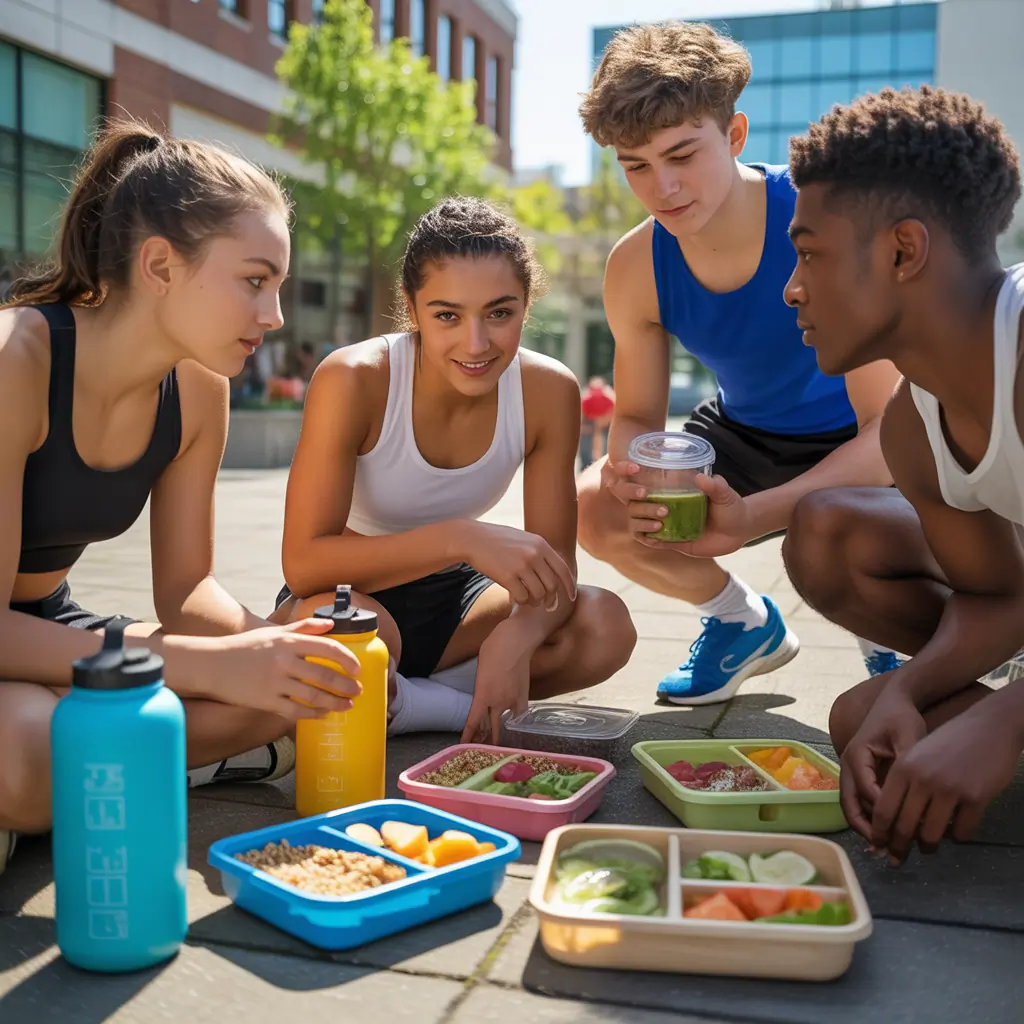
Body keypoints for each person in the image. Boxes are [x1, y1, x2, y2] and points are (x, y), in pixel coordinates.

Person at [0, 121, 364, 872]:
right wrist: (203, 667)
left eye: (279, 287)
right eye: (255, 281)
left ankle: (107, 765)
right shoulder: (17, 362)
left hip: (50, 629)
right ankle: (89, 770)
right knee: (30, 758)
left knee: (284, 696)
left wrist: (274, 647)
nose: (275, 318)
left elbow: (187, 589)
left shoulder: (198, 389)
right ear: (161, 265)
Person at [574, 21, 901, 706]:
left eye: (682, 154)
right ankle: (739, 620)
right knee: (596, 506)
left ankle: (892, 632)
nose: (661, 186)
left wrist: (750, 517)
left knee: (838, 535)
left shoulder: (828, 226)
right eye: (635, 165)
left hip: (863, 448)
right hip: (746, 433)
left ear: (735, 136)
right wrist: (636, 480)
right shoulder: (636, 266)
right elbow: (634, 411)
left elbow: (889, 432)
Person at [271, 197, 637, 743]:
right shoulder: (355, 378)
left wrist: (515, 637)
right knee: (341, 636)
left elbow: (556, 563)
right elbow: (304, 565)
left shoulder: (548, 390)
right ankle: (445, 705)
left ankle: (400, 698)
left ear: (526, 306)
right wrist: (461, 538)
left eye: (499, 313)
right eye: (447, 315)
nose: (476, 343)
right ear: (411, 308)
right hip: (347, 591)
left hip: (462, 603)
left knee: (604, 624)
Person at [780, 85, 1024, 861]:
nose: (792, 286)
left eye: (810, 251)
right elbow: (998, 592)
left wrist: (1006, 719)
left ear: (903, 251)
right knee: (867, 721)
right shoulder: (919, 426)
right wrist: (910, 694)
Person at [579, 375, 616, 470]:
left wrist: (603, 422)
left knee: (606, 439)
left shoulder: (609, 397)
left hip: (606, 419)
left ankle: (605, 460)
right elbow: (582, 414)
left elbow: (613, 411)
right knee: (586, 439)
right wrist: (582, 427)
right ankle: (586, 463)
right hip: (590, 419)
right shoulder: (586, 399)